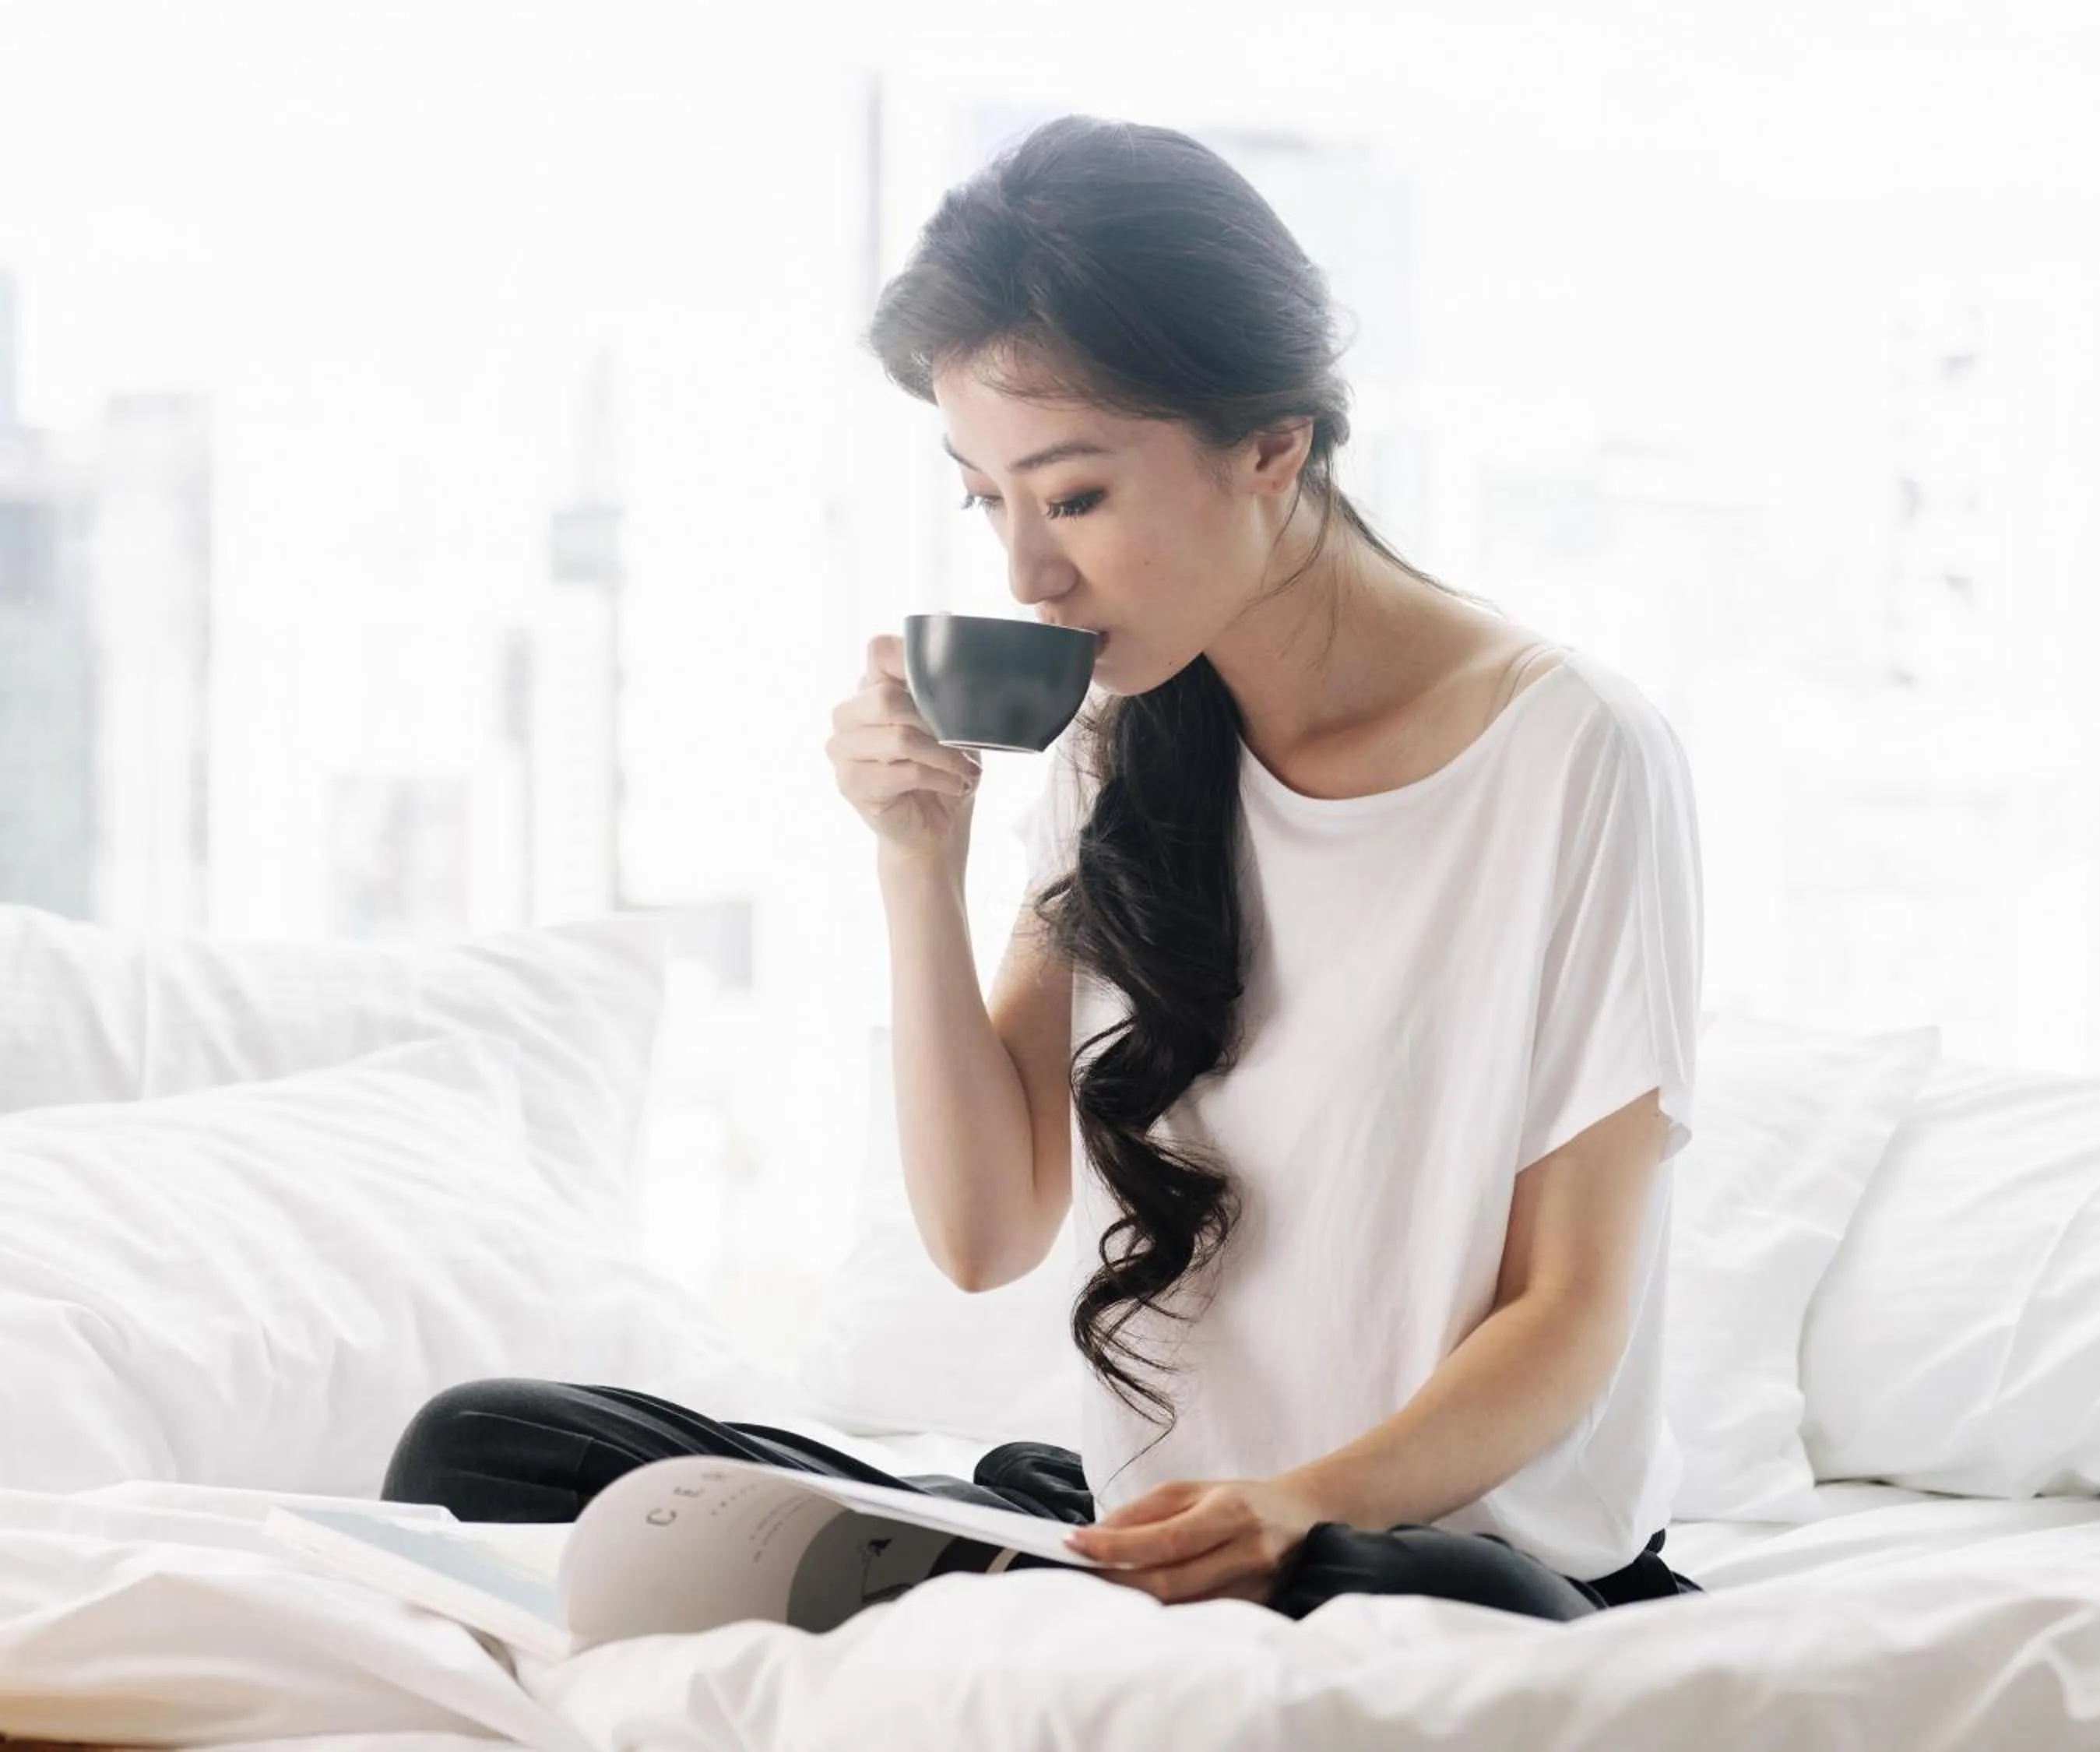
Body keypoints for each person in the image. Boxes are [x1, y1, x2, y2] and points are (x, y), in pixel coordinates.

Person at [382, 113, 1707, 1624]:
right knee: (482, 1446)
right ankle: (1039, 1602)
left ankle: (1030, 1614)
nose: (1024, 572)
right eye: (983, 496)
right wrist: (916, 863)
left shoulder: (1571, 752)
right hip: (1135, 1540)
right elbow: (983, 1228)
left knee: (1447, 1624)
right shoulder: (1119, 737)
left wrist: (1296, 1506)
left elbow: (1571, 1310)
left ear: (1271, 443)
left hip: (1430, 1556)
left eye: (1073, 495)